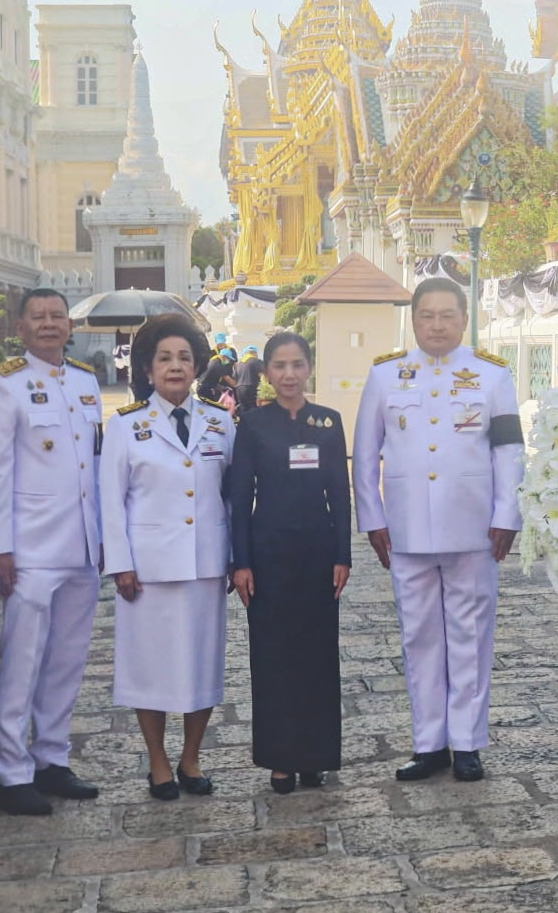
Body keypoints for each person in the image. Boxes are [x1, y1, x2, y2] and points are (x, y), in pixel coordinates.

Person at [354, 277, 524, 783]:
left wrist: (505, 515)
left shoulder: (492, 376)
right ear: (413, 319)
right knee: (420, 636)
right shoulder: (385, 375)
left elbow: (509, 452)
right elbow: (365, 454)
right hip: (406, 530)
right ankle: (429, 744)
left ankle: (468, 742)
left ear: (464, 319)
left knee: (470, 636)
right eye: (427, 315)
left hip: (474, 527)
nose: (436, 324)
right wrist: (373, 519)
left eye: (447, 315)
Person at [0, 288, 104, 816]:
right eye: (39, 317)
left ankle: (52, 756)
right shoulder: (4, 384)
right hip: (30, 546)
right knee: (22, 662)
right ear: (21, 327)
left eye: (58, 316)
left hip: (82, 543)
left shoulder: (84, 381)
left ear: (69, 326)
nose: (50, 324)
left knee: (67, 660)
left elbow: (93, 465)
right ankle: (12, 773)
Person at [101, 315, 230, 799]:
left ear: (197, 365)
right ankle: (157, 761)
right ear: (149, 368)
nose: (175, 367)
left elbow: (232, 496)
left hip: (205, 564)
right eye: (165, 358)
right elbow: (110, 501)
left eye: (184, 358)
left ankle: (191, 758)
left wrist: (236, 558)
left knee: (202, 665)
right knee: (150, 667)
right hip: (149, 570)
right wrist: (121, 563)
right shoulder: (126, 425)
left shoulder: (220, 421)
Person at [228, 331, 352, 793]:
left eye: (297, 365)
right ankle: (281, 759)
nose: (289, 375)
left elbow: (340, 492)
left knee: (317, 656)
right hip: (268, 555)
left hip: (318, 555)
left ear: (309, 368)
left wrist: (343, 554)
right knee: (274, 656)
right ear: (266, 372)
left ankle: (314, 755)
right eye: (279, 366)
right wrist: (241, 562)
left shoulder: (328, 422)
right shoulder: (254, 425)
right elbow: (241, 499)